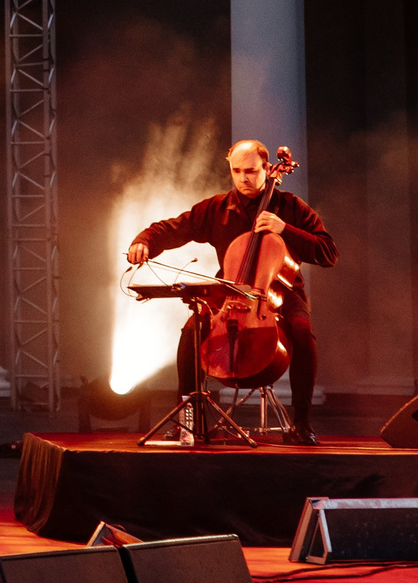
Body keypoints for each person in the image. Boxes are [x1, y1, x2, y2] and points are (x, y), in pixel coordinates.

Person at [127, 138, 338, 445]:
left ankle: (301, 422)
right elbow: (174, 227)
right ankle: (188, 419)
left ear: (267, 168)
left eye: (251, 171)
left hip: (282, 293)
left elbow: (328, 252)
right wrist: (144, 240)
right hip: (230, 290)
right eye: (237, 171)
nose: (243, 178)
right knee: (192, 329)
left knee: (302, 330)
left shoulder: (290, 207)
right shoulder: (217, 207)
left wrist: (285, 229)